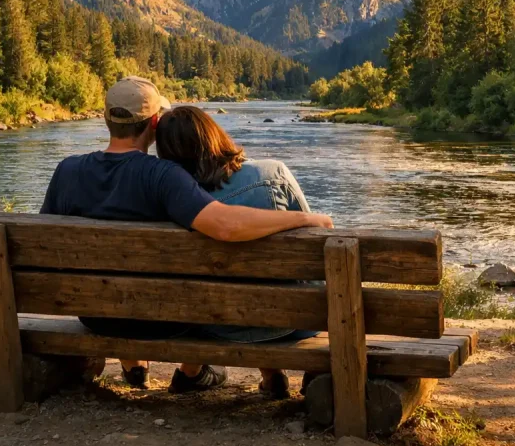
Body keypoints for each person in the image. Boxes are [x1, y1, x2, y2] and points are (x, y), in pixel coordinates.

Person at [39, 76, 333, 397]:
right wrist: (303, 218)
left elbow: (42, 243)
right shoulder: (162, 177)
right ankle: (191, 370)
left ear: (106, 118)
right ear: (154, 124)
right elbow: (223, 226)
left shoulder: (66, 170)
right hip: (157, 320)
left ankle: (134, 363)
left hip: (94, 315)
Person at [155, 105, 317, 398]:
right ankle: (281, 372)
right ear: (215, 134)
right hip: (286, 320)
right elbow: (314, 251)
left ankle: (196, 371)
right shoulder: (272, 174)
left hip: (209, 324)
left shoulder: (169, 199)